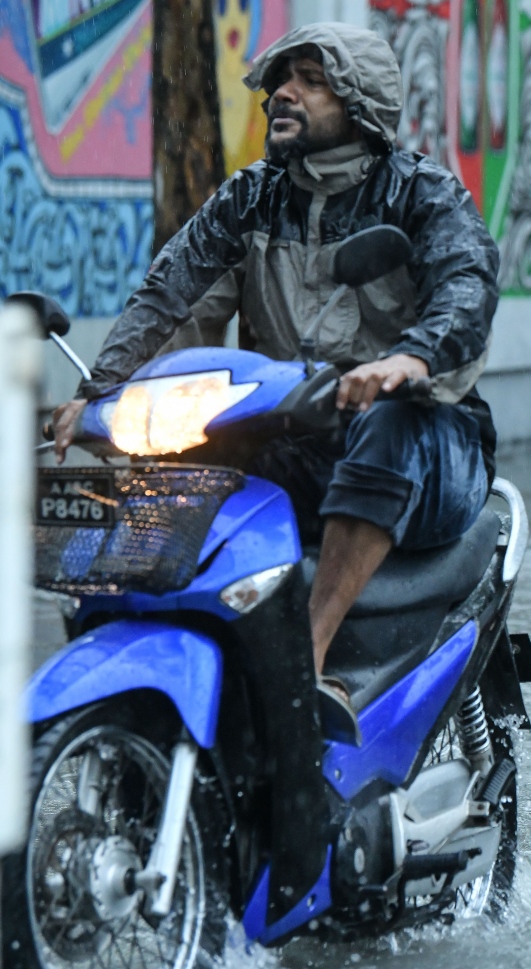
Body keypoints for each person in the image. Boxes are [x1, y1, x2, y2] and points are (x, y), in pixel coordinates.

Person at [48, 23, 500, 739]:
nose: (282, 92)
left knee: (390, 422)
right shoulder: (252, 197)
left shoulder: (422, 194)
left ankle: (306, 657)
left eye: (311, 80)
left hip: (432, 442)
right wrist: (97, 396)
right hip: (304, 433)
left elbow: (468, 284)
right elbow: (168, 295)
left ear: (360, 102)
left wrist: (409, 357)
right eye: (282, 78)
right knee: (194, 452)